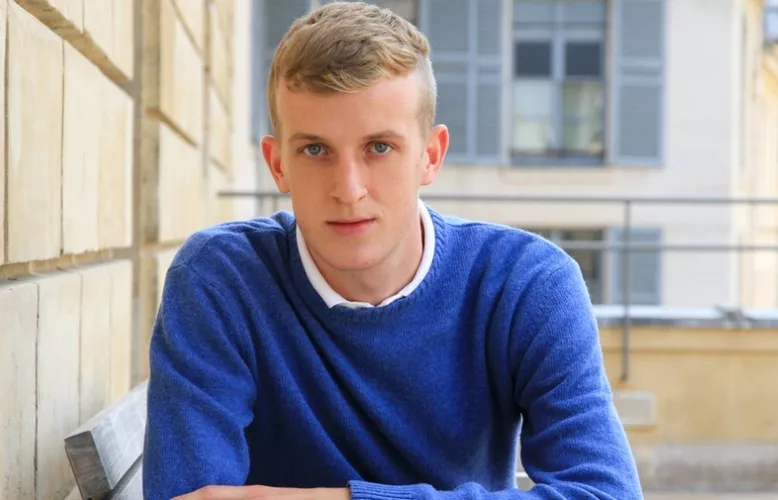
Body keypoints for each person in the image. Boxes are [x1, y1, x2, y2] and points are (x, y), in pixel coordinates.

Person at [142, 2, 643, 499]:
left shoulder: (527, 284)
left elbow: (607, 494)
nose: (348, 190)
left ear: (431, 156)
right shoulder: (219, 281)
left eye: (379, 147)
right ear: (277, 165)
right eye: (315, 150)